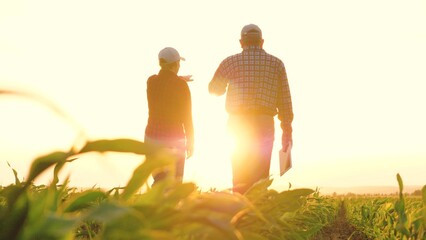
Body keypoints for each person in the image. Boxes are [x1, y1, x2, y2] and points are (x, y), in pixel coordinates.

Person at [208, 24, 293, 194]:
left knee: (239, 174)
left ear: (241, 42)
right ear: (262, 42)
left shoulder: (230, 62)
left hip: (238, 123)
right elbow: (285, 101)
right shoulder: (277, 64)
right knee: (261, 177)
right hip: (264, 122)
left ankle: (240, 215)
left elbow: (214, 90)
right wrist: (287, 131)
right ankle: (258, 214)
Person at [145, 47, 194, 185]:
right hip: (174, 139)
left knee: (159, 179)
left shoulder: (151, 82)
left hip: (152, 138)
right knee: (174, 181)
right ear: (176, 64)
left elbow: (164, 81)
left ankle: (152, 206)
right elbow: (187, 116)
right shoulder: (181, 85)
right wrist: (191, 140)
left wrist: (179, 79)